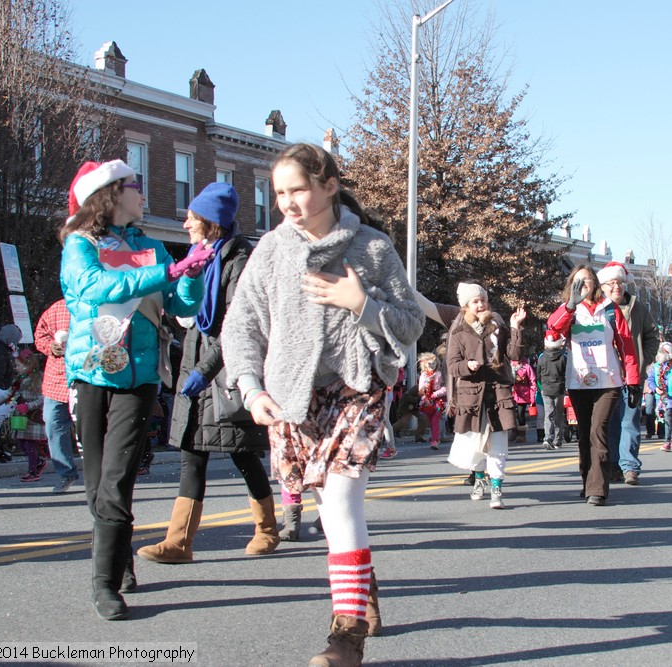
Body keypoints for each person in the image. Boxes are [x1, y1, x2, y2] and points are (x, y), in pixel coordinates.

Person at [220, 143, 423, 664]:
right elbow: (242, 324)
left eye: (299, 189)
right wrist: (251, 386)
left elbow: (411, 324)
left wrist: (362, 304)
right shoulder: (271, 250)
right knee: (330, 514)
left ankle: (346, 639)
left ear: (329, 185)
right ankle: (364, 589)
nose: (288, 201)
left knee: (340, 503)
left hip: (358, 391)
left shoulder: (373, 248)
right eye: (279, 192)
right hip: (293, 397)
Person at [60, 158, 210, 620]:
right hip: (91, 372)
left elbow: (181, 305)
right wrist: (168, 271)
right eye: (135, 186)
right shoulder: (79, 246)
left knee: (118, 477)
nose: (143, 194)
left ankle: (103, 584)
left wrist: (192, 271)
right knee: (97, 483)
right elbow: (92, 285)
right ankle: (119, 558)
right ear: (110, 194)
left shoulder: (152, 249)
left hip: (140, 377)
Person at [137, 182, 281, 566]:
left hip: (229, 373)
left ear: (210, 222)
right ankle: (179, 542)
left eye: (191, 217)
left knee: (243, 453)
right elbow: (193, 311)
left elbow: (238, 327)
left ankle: (267, 528)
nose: (185, 224)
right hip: (196, 367)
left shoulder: (240, 261)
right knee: (192, 454)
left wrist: (202, 371)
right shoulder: (200, 257)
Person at [547, 265, 640, 506]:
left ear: (595, 284)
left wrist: (633, 381)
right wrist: (570, 306)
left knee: (599, 431)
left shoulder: (609, 310)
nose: (584, 285)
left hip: (608, 382)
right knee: (585, 433)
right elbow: (553, 328)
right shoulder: (569, 311)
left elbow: (626, 347)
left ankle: (598, 489)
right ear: (571, 285)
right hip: (579, 382)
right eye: (578, 281)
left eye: (587, 280)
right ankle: (587, 480)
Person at [445, 282, 525, 510]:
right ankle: (480, 478)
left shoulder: (498, 326)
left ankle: (497, 487)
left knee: (498, 443)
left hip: (498, 392)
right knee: (475, 443)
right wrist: (466, 366)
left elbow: (514, 353)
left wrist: (516, 327)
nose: (481, 305)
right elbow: (452, 365)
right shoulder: (459, 332)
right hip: (472, 396)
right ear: (466, 306)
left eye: (483, 300)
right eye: (475, 302)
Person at [598, 261, 659, 486]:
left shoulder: (637, 308)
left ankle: (630, 467)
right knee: (609, 422)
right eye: (611, 283)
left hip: (632, 375)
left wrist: (644, 361)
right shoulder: (598, 310)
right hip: (605, 377)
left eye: (620, 283)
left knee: (629, 421)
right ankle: (613, 464)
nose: (617, 287)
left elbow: (652, 336)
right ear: (602, 286)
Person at [34, 299, 80, 493]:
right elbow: (40, 336)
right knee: (54, 425)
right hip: (56, 379)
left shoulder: (96, 304)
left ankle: (103, 472)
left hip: (85, 376)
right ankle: (66, 473)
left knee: (90, 428)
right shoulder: (56, 308)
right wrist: (50, 346)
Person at [11, 351, 48, 482]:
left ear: (28, 365)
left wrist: (28, 406)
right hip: (22, 417)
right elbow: (12, 394)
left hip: (33, 417)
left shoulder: (37, 379)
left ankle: (33, 470)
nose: (16, 368)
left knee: (29, 444)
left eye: (18, 365)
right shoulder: (20, 379)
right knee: (21, 443)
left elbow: (42, 398)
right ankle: (38, 462)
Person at [537, 332, 567, 450]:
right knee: (559, 414)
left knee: (548, 414)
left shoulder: (541, 357)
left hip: (546, 388)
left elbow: (538, 375)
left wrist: (541, 387)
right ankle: (557, 440)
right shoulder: (563, 357)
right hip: (559, 389)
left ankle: (547, 438)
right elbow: (566, 373)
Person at [417, 352, 447, 450]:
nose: (432, 366)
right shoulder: (423, 375)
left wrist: (435, 394)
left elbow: (445, 388)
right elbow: (420, 390)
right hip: (427, 401)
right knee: (431, 421)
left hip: (438, 400)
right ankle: (435, 439)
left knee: (435, 421)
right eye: (429, 363)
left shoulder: (439, 374)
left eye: (434, 363)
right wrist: (425, 397)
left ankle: (435, 440)